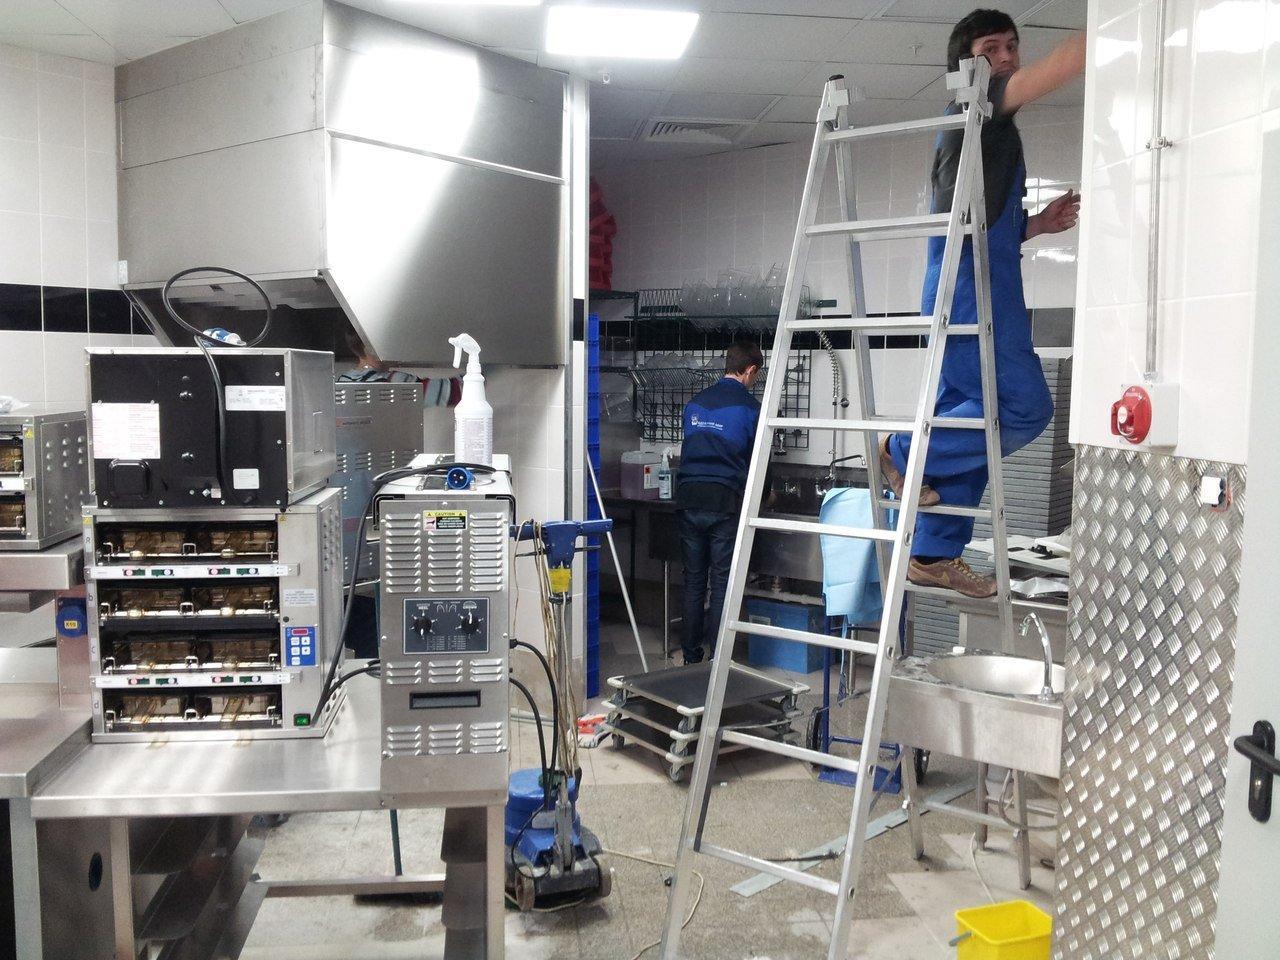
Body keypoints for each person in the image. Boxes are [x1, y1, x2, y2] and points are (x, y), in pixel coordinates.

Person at [881, 9, 1085, 598]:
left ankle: (931, 554)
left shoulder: (982, 133)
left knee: (969, 419)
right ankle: (901, 451)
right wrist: (1121, 22)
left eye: (1013, 46)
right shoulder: (978, 108)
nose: (1007, 57)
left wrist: (1035, 224)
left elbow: (983, 221)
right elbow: (1062, 64)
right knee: (1024, 410)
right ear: (964, 66)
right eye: (991, 48)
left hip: (978, 288)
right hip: (973, 295)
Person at [676, 340, 764, 664]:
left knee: (693, 582)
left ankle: (690, 658)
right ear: (750, 370)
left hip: (688, 498)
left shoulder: (694, 404)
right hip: (723, 501)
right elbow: (759, 463)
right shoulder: (752, 409)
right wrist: (765, 494)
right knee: (722, 584)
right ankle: (717, 661)